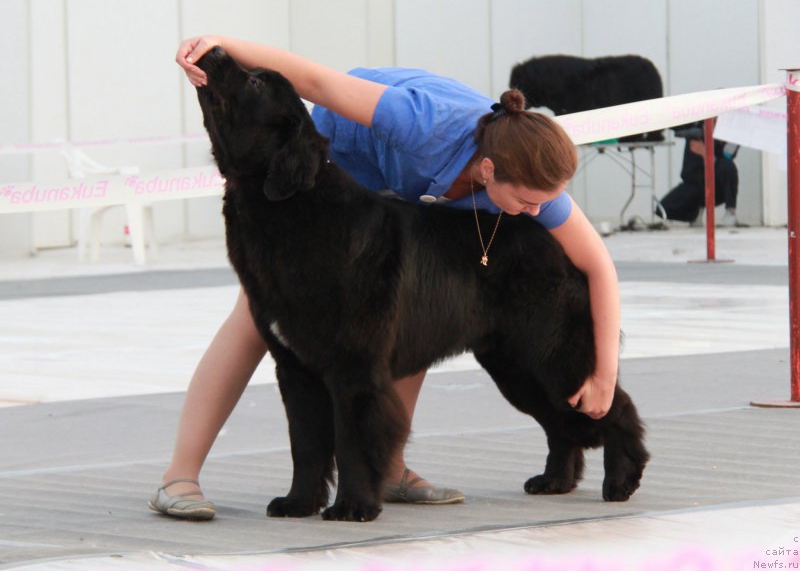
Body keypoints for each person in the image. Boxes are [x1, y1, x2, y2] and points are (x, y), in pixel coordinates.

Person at [149, 36, 621, 521]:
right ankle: (179, 476)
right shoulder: (421, 122)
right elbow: (316, 81)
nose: (537, 213)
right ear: (488, 171)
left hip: (413, 194)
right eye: (527, 202)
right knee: (260, 315)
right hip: (343, 161)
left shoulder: (532, 182)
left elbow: (598, 268)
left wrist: (603, 378)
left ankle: (386, 470)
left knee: (407, 310)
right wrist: (225, 46)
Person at [657, 122, 741, 227]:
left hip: (717, 188)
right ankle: (695, 214)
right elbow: (688, 174)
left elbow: (728, 158)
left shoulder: (730, 132)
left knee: (727, 166)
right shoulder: (696, 126)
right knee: (662, 209)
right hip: (696, 184)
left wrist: (705, 152)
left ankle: (730, 211)